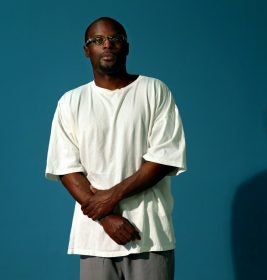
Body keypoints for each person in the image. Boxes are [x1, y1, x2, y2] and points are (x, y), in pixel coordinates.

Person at [45, 16, 186, 280]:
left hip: (149, 234)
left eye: (114, 39)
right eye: (97, 40)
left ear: (127, 47)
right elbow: (66, 168)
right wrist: (106, 217)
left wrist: (111, 197)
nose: (107, 45)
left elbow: (164, 158)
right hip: (94, 237)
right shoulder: (71, 101)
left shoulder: (154, 90)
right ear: (87, 51)